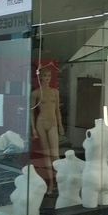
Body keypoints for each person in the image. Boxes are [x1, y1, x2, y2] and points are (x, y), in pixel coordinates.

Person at [31, 66, 64, 194]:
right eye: (44, 75)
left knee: (55, 155)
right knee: (46, 154)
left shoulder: (55, 92)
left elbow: (57, 110)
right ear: (40, 77)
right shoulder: (36, 93)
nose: (47, 78)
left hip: (52, 123)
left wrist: (60, 124)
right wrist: (33, 128)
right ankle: (50, 184)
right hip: (41, 123)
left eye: (49, 75)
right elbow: (31, 112)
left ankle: (59, 183)